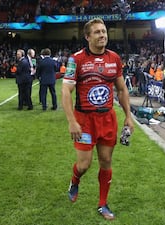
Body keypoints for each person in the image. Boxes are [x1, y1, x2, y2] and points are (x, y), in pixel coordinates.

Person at [61, 18, 134, 221]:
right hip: (84, 120)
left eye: (104, 31)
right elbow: (66, 90)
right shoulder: (76, 59)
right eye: (97, 32)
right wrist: (71, 121)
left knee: (106, 161)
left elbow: (121, 89)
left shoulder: (114, 58)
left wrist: (128, 116)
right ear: (87, 37)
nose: (102, 35)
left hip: (107, 118)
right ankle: (75, 180)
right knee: (84, 165)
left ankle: (102, 204)